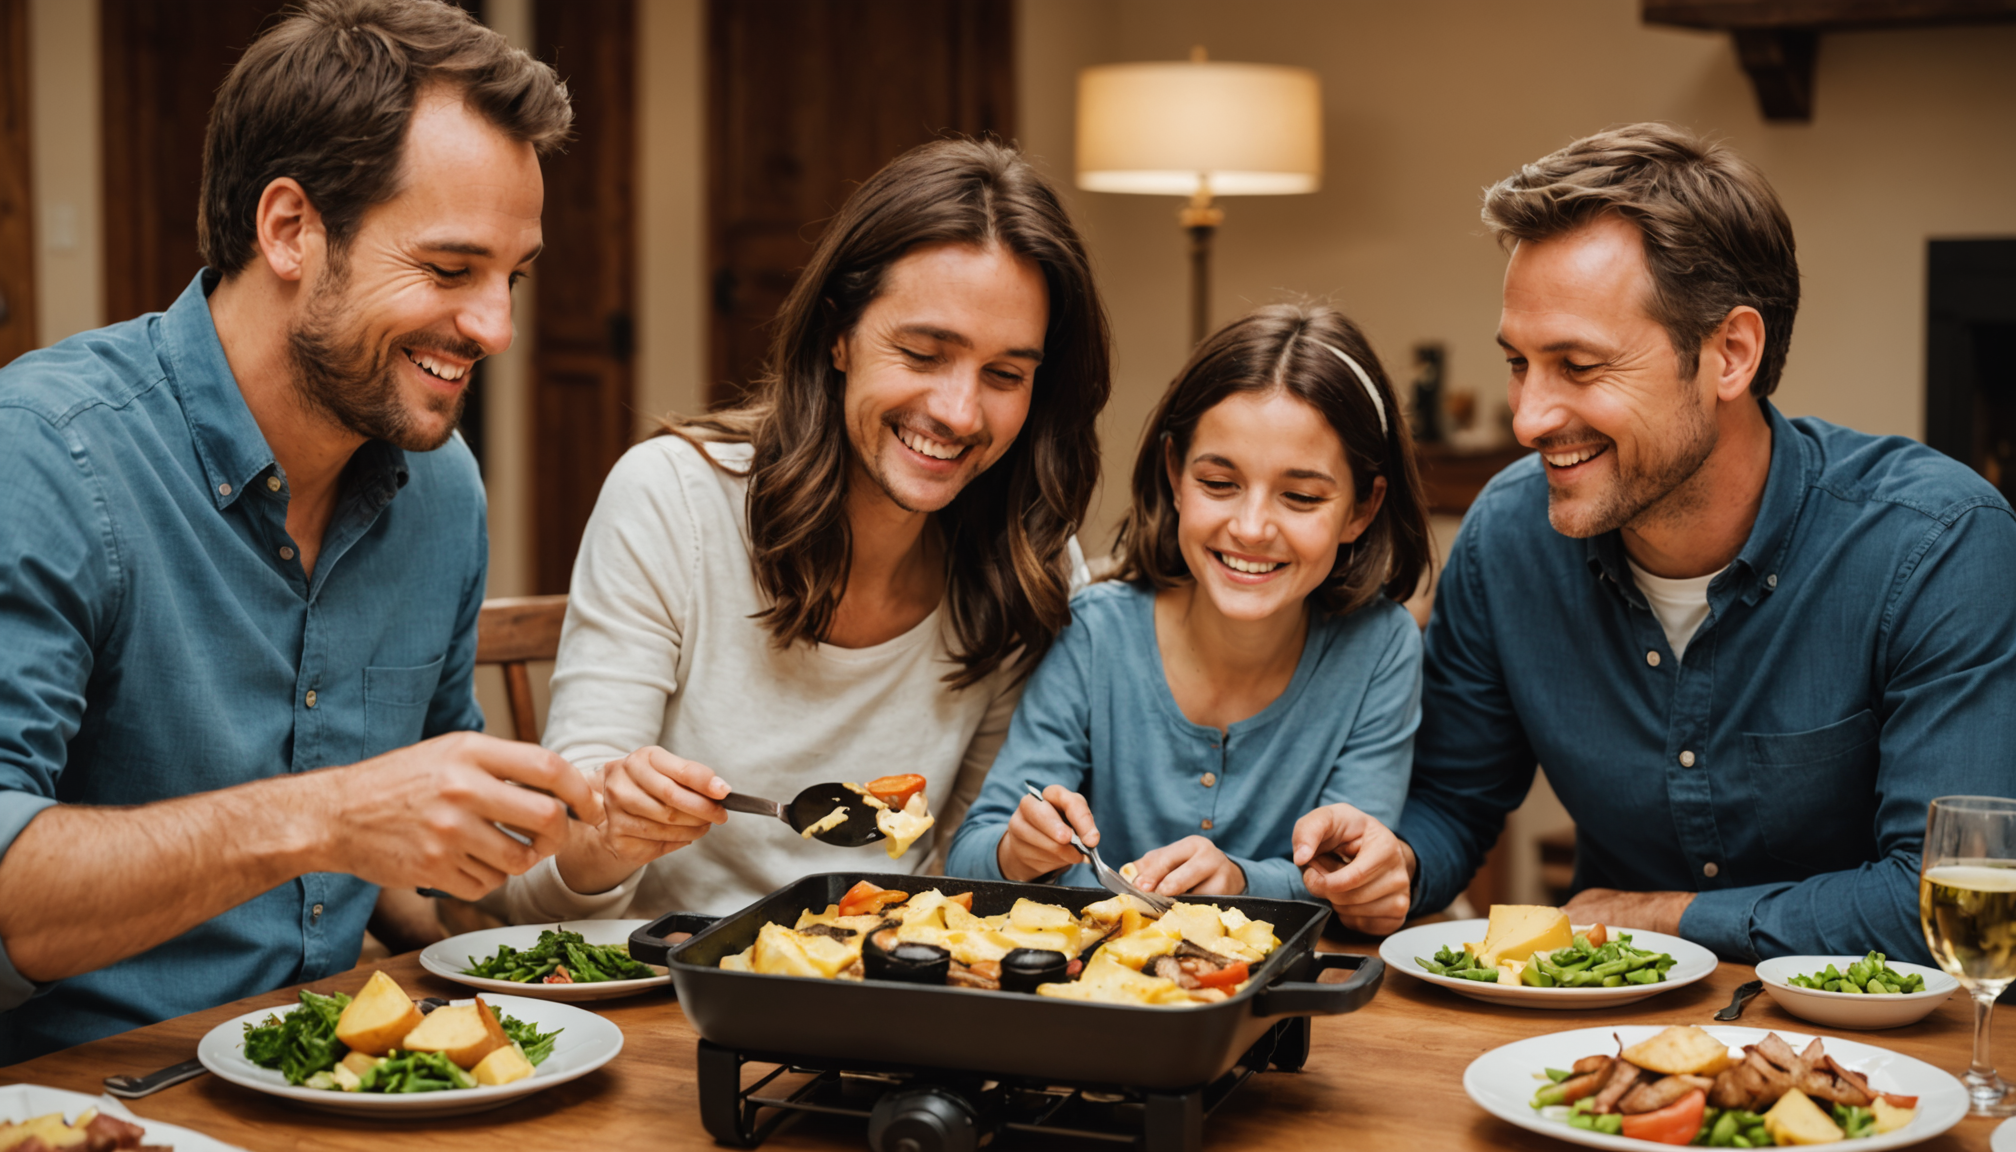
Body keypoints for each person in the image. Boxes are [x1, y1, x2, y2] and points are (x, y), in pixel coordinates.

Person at [0, 0, 601, 1063]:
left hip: (341, 1080)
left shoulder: (441, 487)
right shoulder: (45, 457)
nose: (496, 327)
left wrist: (584, 844)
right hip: (91, 1102)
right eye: (450, 269)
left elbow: (411, 876)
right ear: (289, 229)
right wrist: (328, 815)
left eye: (512, 276)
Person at [1296, 123, 2016, 960]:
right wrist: (1398, 860)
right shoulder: (1507, 538)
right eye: (1519, 363)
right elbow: (1455, 800)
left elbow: (1940, 900)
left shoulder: (1937, 547)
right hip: (1602, 1022)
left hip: (1871, 1031)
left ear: (1730, 354)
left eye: (1578, 365)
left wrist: (1665, 918)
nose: (1528, 419)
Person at [497, 137, 1112, 921]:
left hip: (898, 978)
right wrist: (610, 835)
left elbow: (970, 870)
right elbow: (533, 898)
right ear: (837, 334)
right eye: (923, 353)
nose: (960, 413)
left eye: (1005, 375)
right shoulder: (673, 502)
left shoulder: (1028, 561)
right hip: (663, 977)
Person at [946, 304, 1431, 902]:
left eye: (1301, 496)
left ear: (1362, 508)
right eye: (1219, 484)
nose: (1251, 528)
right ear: (1175, 474)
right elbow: (970, 853)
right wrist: (1017, 852)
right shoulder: (1094, 633)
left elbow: (1354, 875)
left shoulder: (1380, 648)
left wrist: (1241, 883)